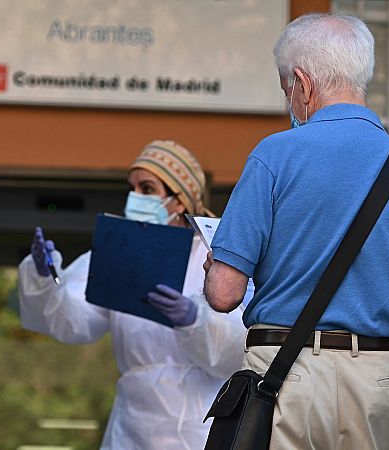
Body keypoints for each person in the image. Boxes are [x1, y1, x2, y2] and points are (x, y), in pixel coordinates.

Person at [203, 13, 389, 450]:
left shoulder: (273, 156)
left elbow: (224, 293)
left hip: (290, 379)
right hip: (387, 383)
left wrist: (215, 265)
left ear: (302, 84)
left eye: (287, 91)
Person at [18, 140, 253, 450]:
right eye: (132, 188)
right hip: (132, 429)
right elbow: (73, 320)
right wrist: (44, 277)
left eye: (147, 188)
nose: (135, 197)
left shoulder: (217, 256)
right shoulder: (121, 251)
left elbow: (245, 348)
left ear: (179, 199)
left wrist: (196, 321)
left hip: (199, 427)